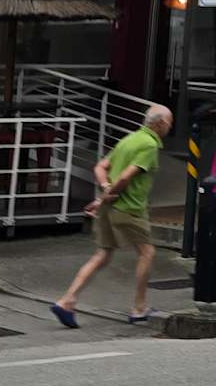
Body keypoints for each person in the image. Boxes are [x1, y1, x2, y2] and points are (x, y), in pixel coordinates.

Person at [53, 103, 170, 328]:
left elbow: (100, 167)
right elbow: (126, 177)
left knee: (102, 254)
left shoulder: (129, 139)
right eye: (169, 122)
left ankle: (67, 301)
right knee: (147, 253)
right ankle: (139, 308)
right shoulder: (149, 144)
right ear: (161, 123)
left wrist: (103, 195)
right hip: (129, 208)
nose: (170, 127)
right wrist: (109, 194)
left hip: (109, 207)